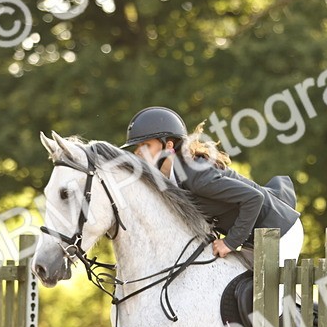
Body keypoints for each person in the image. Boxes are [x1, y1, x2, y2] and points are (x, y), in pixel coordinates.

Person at [122, 106, 304, 264]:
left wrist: (230, 242)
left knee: (262, 298)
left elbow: (254, 198)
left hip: (280, 232)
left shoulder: (196, 177)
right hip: (255, 237)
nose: (138, 152)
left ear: (168, 145)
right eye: (136, 147)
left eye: (145, 145)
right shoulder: (171, 179)